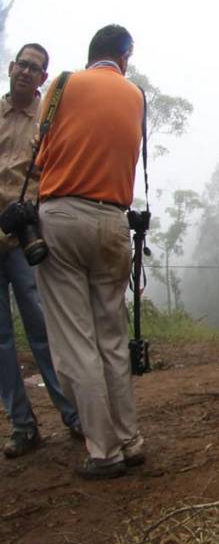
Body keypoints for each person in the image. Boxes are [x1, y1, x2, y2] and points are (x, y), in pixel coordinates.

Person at [35, 25, 145, 480]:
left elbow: (40, 157)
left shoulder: (62, 85)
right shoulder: (135, 95)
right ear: (124, 56)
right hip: (114, 221)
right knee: (112, 338)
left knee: (76, 344)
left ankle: (104, 452)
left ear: (90, 53)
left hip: (62, 216)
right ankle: (130, 440)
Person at [0, 43, 82, 458]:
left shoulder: (48, 122)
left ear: (43, 78)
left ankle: (74, 416)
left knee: (42, 330)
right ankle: (22, 425)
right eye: (22, 65)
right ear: (11, 68)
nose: (27, 73)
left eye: (36, 68)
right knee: (0, 341)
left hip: (25, 240)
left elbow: (57, 172)